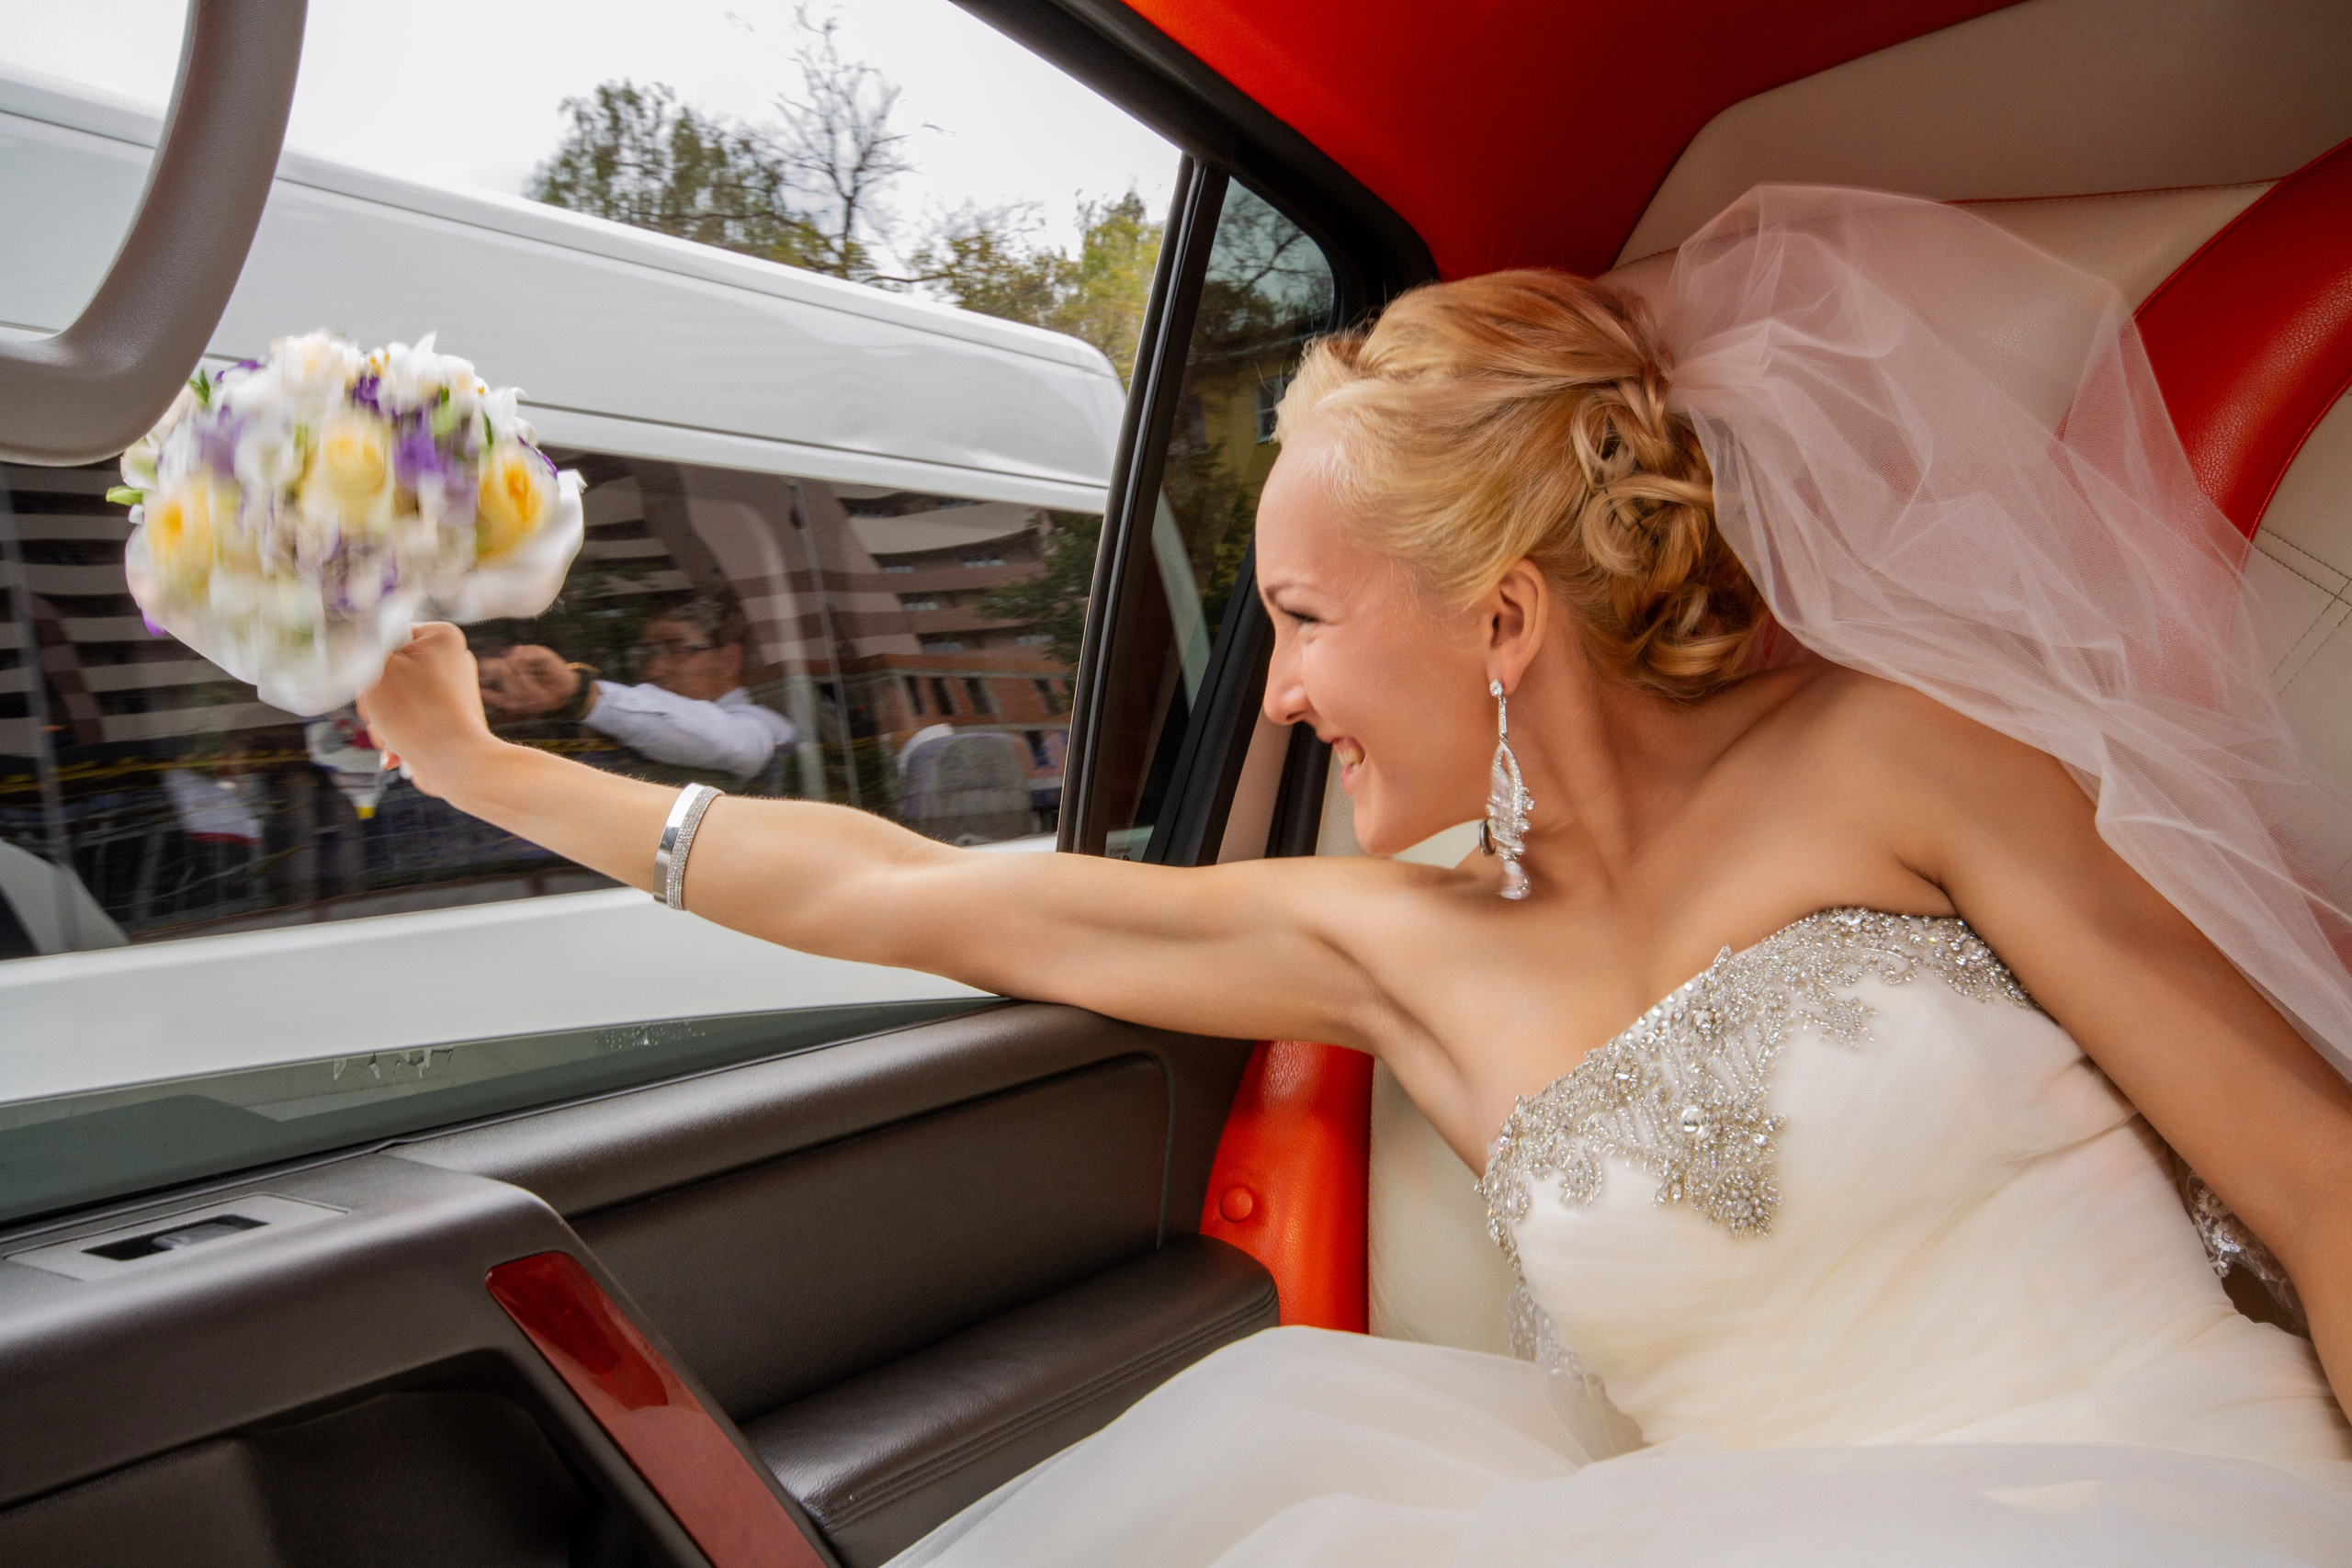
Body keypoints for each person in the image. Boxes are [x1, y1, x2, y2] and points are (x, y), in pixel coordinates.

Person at [361, 187, 2352, 1561]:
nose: (1288, 691)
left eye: (1303, 617)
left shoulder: (1900, 756)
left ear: (1497, 617)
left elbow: (2313, 1179)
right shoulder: (1387, 942)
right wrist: (484, 766)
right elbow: (901, 893)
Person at [476, 595, 795, 785]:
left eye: (675, 649)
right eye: (649, 652)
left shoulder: (762, 726)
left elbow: (735, 746)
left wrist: (580, 695)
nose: (654, 669)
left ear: (728, 660)